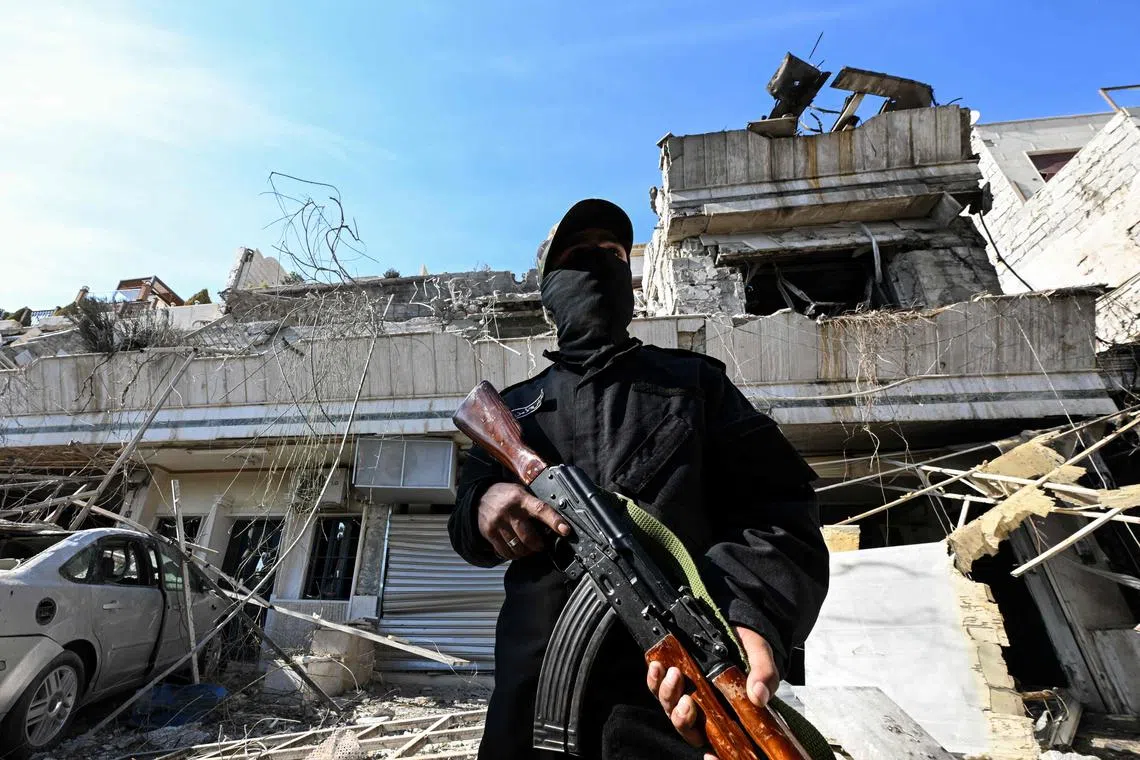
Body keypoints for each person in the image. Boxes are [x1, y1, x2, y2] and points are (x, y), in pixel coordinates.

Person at [448, 199, 828, 759]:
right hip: (529, 701)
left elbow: (779, 506)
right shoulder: (516, 411)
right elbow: (464, 524)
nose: (601, 266)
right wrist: (485, 500)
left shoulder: (694, 384)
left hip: (668, 697)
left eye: (614, 255)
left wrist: (751, 613)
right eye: (582, 256)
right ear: (551, 286)